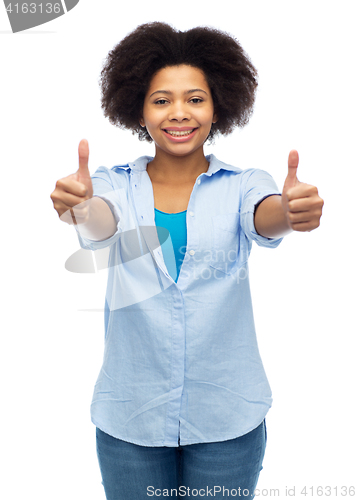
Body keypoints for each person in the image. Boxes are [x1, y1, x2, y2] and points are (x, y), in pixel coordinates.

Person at [50, 22, 324, 500]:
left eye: (195, 99)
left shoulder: (243, 184)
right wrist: (79, 208)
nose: (179, 113)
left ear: (218, 106)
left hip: (227, 419)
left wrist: (291, 211)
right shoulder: (112, 184)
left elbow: (266, 217)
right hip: (129, 420)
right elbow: (100, 222)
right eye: (161, 100)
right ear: (138, 108)